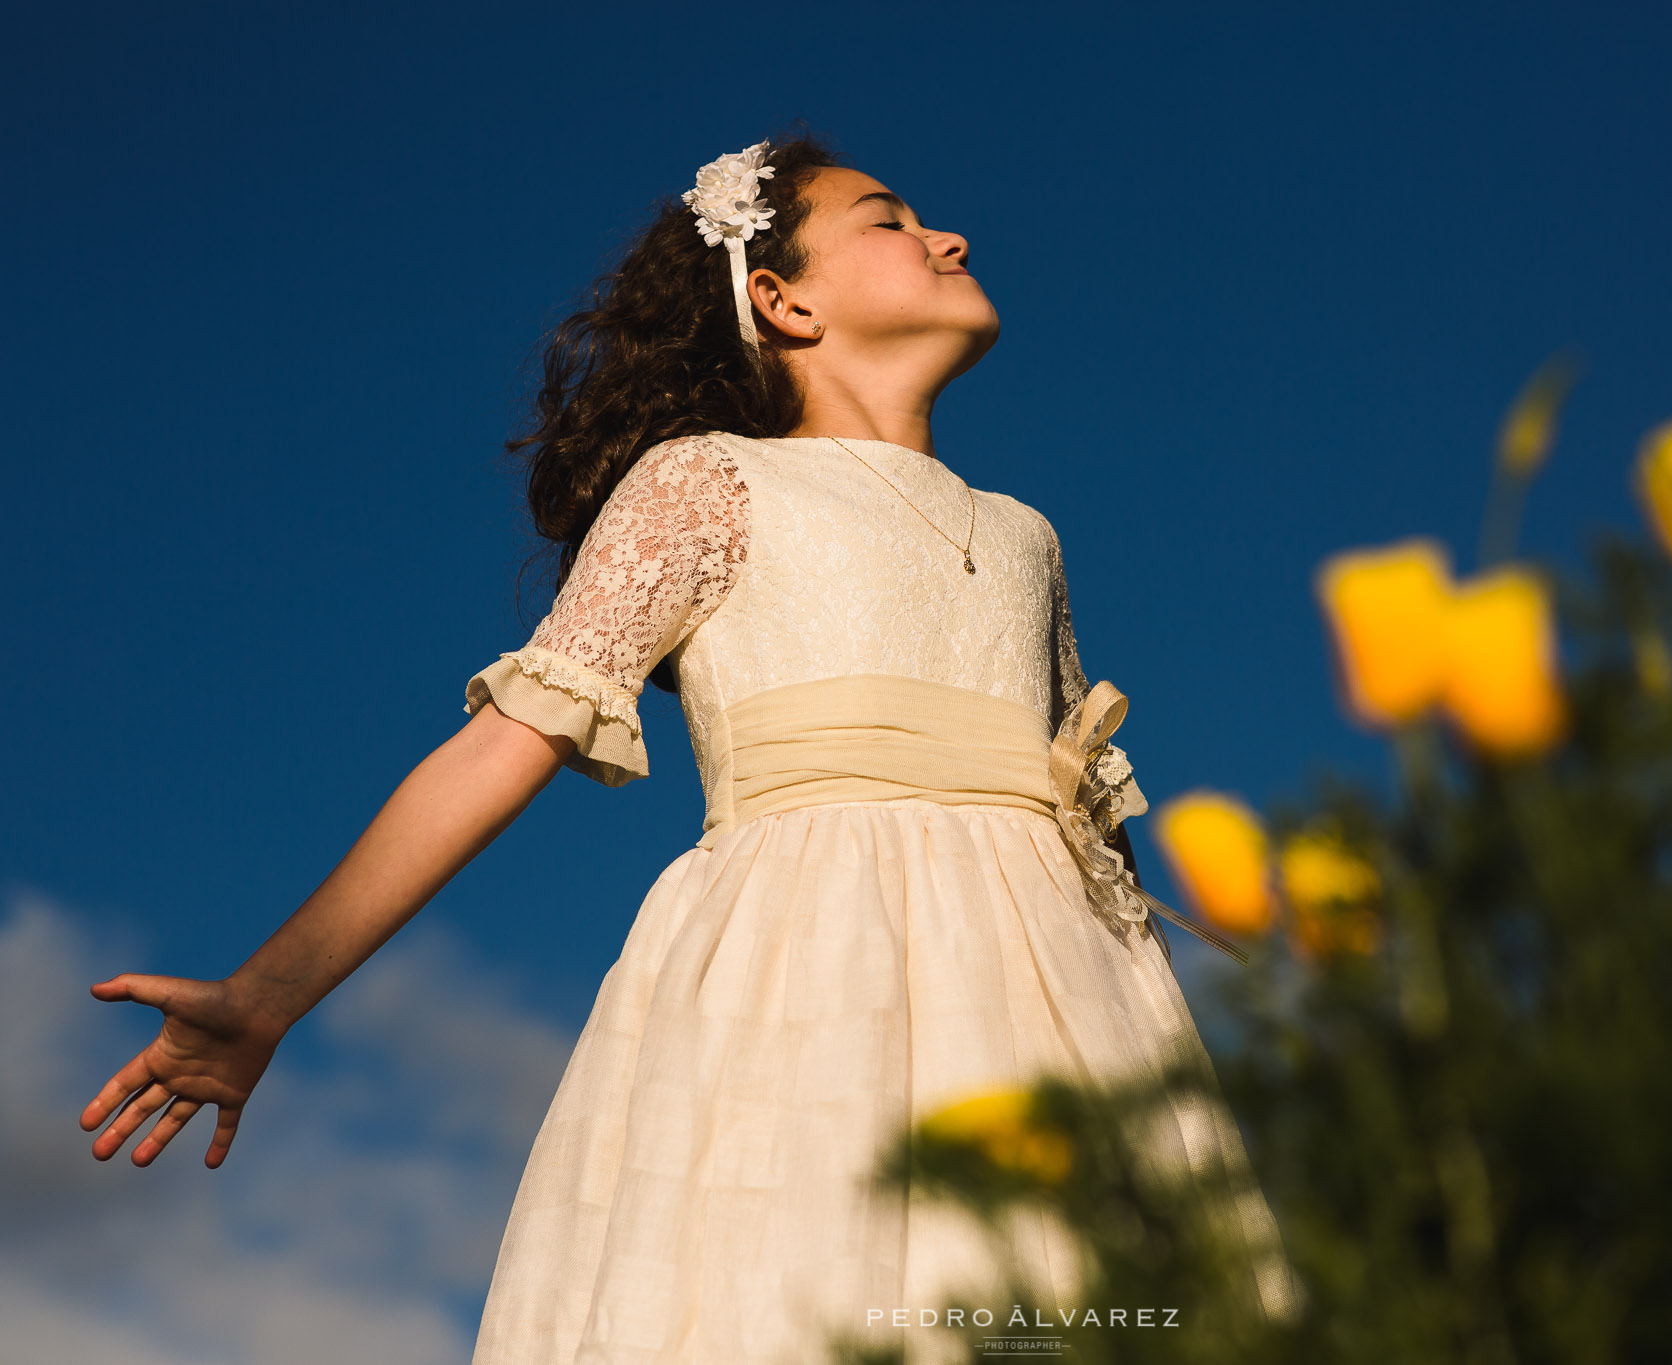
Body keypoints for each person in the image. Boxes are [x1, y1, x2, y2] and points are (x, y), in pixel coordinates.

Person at [78, 129, 1301, 1363]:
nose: (948, 237)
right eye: (888, 219)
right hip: (812, 960)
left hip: (1053, 984)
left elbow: (1092, 830)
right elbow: (509, 742)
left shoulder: (1026, 533)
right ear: (783, 299)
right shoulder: (707, 480)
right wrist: (264, 999)